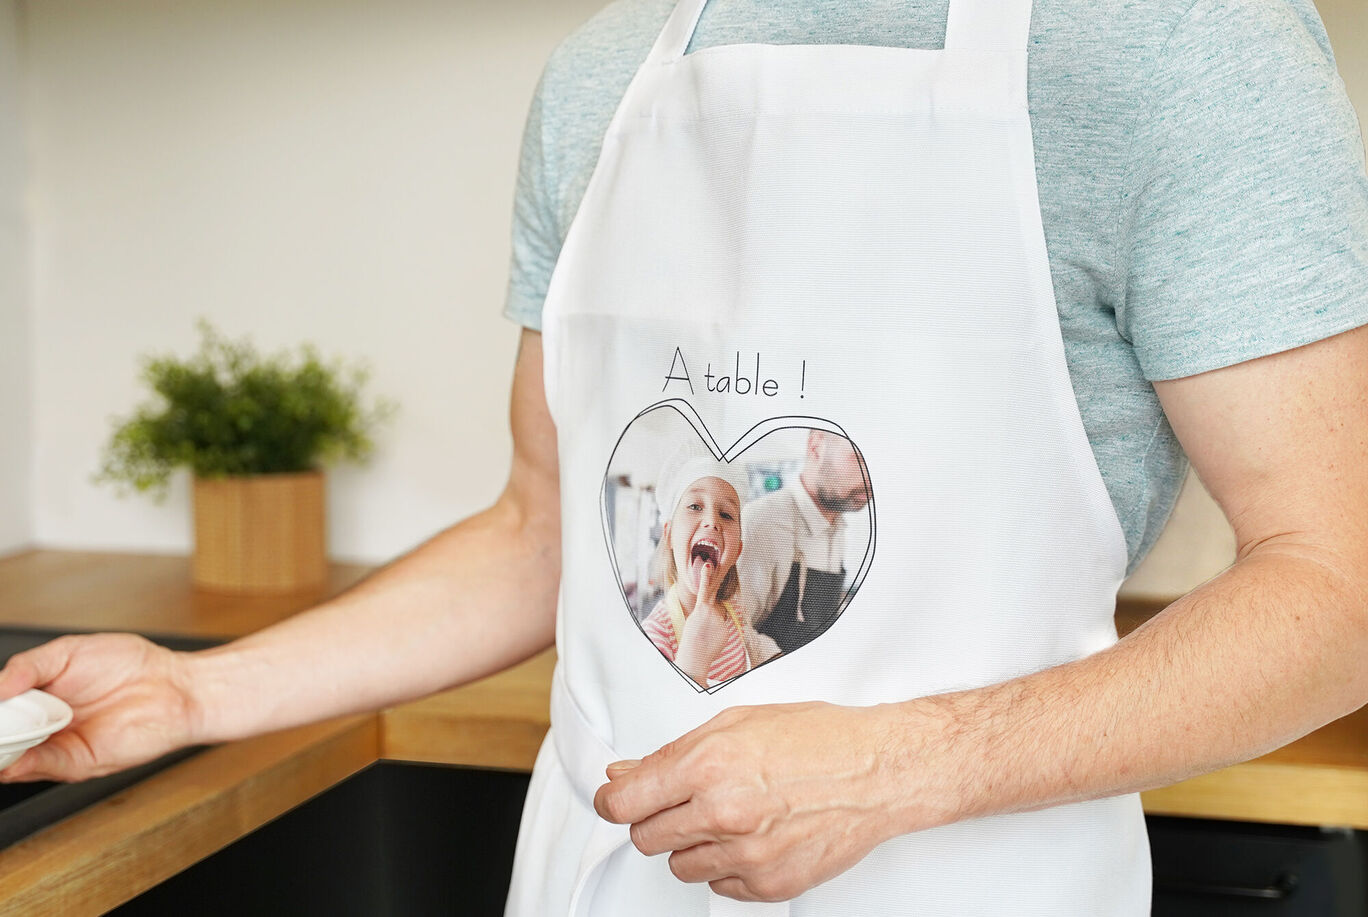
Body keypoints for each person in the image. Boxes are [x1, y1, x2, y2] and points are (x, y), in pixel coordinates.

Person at [1, 0, 1366, 914]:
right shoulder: (607, 76)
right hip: (599, 884)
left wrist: (903, 767)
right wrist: (196, 694)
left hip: (967, 881)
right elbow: (544, 529)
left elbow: (1340, 583)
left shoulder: (1182, 42)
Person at [737, 430, 871, 654]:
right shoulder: (763, 524)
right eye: (859, 458)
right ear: (817, 446)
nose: (870, 478)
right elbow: (730, 636)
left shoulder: (837, 525)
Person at [639, 460, 766, 688]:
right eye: (695, 506)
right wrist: (693, 664)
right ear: (668, 535)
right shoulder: (657, 635)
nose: (711, 521)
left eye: (726, 514)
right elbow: (666, 717)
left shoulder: (733, 609)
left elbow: (754, 648)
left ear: (737, 550)